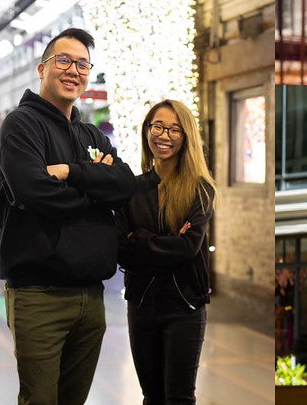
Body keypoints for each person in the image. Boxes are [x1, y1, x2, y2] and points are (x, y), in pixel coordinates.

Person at [0, 27, 136, 404]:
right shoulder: (20, 126)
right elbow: (34, 192)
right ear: (42, 69)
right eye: (64, 60)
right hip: (40, 295)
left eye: (83, 64)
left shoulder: (92, 136)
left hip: (91, 298)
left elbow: (123, 185)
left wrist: (72, 172)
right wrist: (95, 193)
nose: (73, 70)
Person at [116, 99, 216, 405]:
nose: (165, 135)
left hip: (185, 305)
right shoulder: (131, 189)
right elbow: (121, 250)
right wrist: (167, 242)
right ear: (147, 131)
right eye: (158, 126)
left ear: (186, 137)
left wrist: (140, 239)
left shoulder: (200, 188)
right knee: (152, 397)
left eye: (175, 129)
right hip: (142, 304)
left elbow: (189, 247)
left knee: (180, 398)